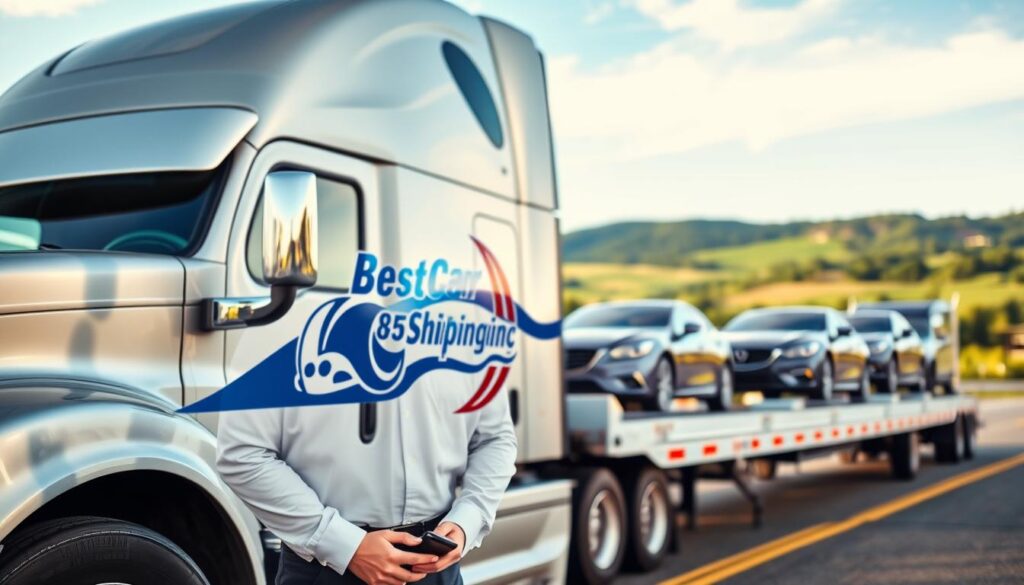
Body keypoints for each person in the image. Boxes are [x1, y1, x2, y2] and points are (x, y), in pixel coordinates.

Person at [216, 368, 517, 585]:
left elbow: (494, 439)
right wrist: (346, 546)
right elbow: (242, 452)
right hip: (327, 571)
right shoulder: (287, 327)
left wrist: (467, 520)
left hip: (436, 566)